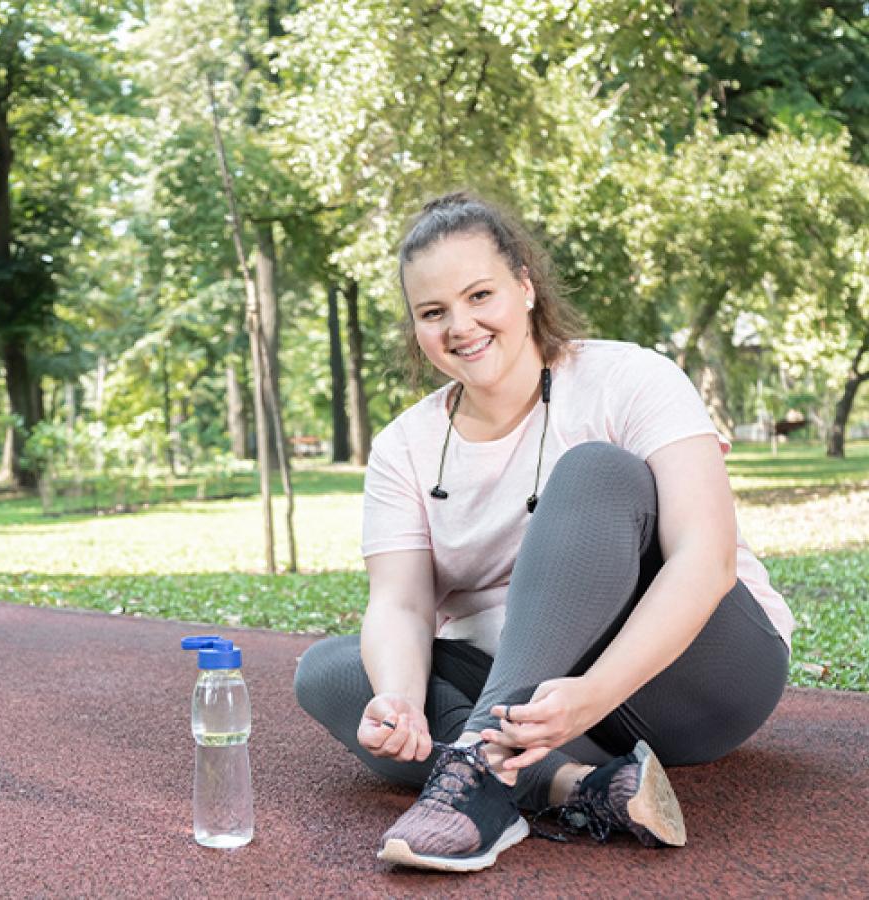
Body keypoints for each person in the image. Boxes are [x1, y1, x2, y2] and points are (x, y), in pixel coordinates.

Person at [294, 192, 793, 872]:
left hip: (696, 676)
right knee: (332, 672)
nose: (460, 325)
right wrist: (401, 700)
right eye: (432, 312)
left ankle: (476, 772)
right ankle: (578, 784)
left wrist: (596, 690)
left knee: (597, 471)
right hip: (546, 709)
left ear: (525, 286)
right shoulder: (402, 447)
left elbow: (706, 561)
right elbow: (402, 603)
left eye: (479, 295)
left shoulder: (629, 377)